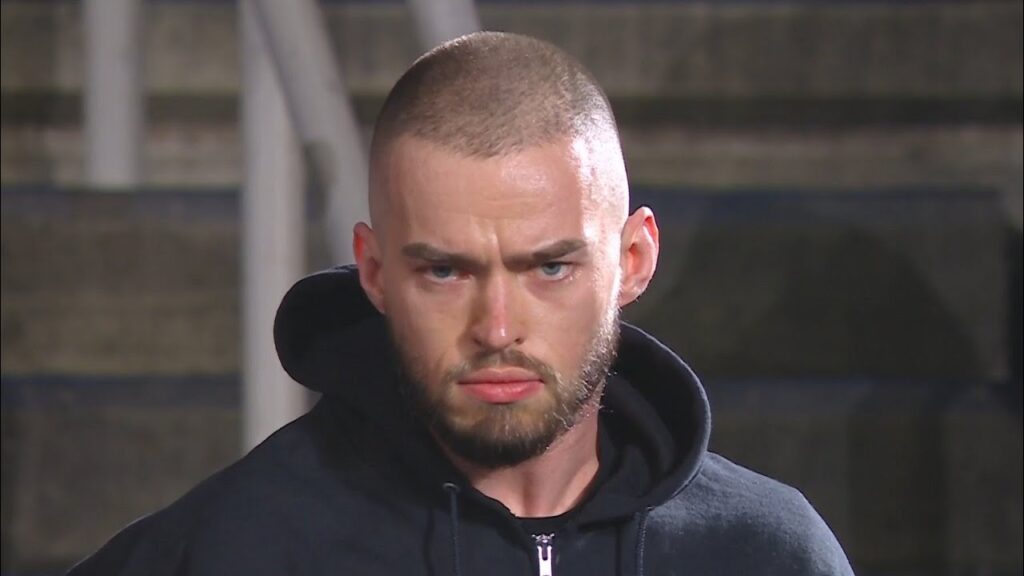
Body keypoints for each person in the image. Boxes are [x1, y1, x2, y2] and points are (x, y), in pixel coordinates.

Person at [69, 31, 853, 575]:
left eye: (550, 267)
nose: (497, 329)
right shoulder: (243, 545)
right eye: (445, 272)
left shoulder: (766, 553)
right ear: (374, 272)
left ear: (632, 261)